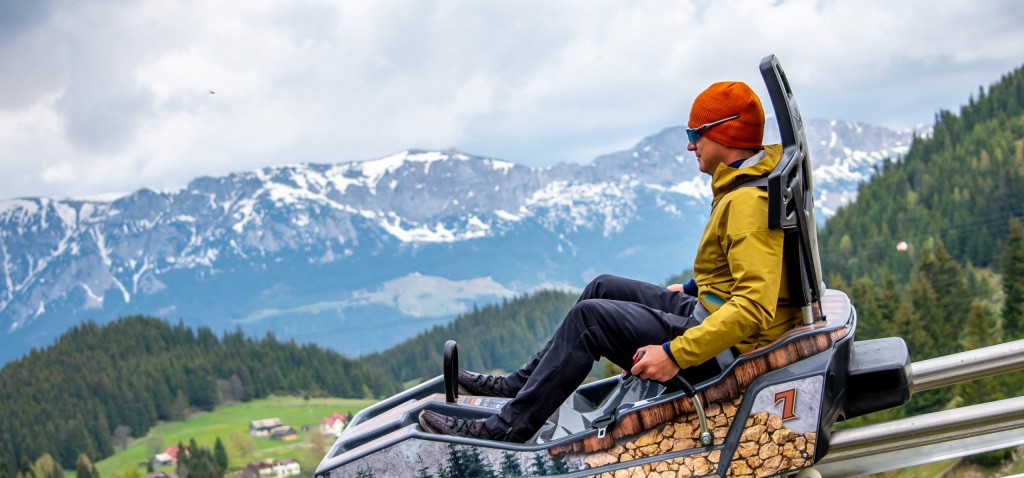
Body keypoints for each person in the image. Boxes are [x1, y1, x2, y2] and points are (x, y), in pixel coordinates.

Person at [419, 81, 802, 443]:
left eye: (693, 134)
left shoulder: (749, 204)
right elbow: (746, 271)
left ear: (725, 133)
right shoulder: (745, 180)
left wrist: (673, 354)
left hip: (724, 351)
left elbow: (753, 308)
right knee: (602, 285)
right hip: (710, 312)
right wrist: (689, 289)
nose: (690, 147)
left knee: (592, 319)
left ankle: (503, 430)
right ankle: (519, 386)